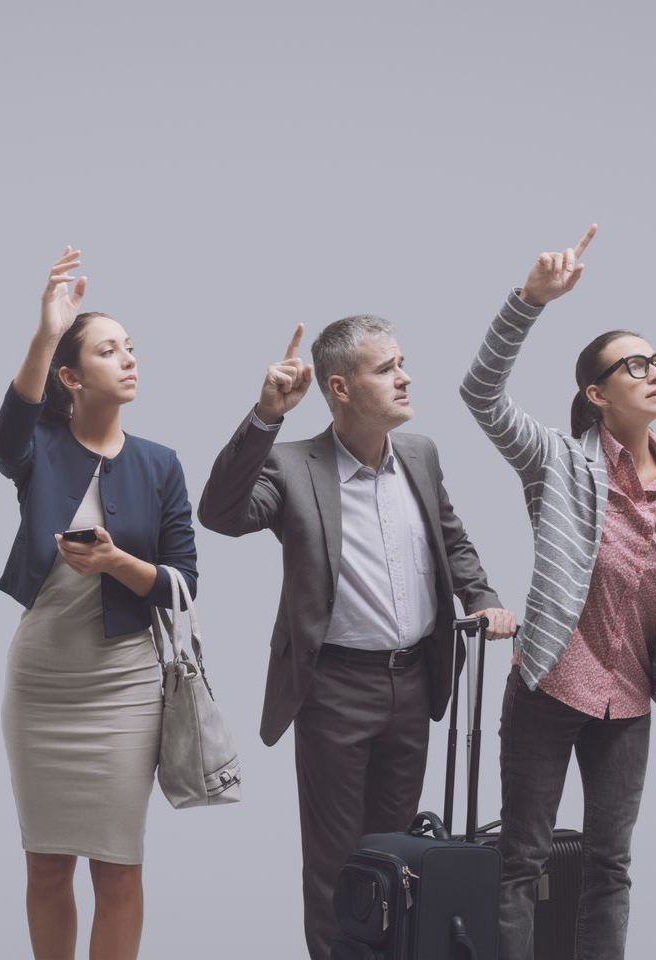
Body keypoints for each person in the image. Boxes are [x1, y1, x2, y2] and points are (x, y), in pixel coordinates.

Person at [460, 225, 656, 960]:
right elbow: (479, 394)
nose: (653, 371)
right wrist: (527, 302)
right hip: (551, 688)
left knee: (610, 867)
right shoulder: (556, 464)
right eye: (633, 365)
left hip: (628, 702)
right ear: (597, 395)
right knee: (521, 863)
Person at [198, 316, 516, 958]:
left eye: (402, 362)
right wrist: (265, 416)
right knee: (339, 865)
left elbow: (450, 538)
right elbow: (222, 515)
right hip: (334, 688)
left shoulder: (421, 455)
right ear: (339, 388)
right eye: (386, 368)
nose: (405, 377)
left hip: (416, 682)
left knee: (399, 855)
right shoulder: (291, 465)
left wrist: (482, 596)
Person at [0, 247, 198, 960]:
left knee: (118, 866)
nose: (129, 360)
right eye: (110, 351)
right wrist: (48, 331)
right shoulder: (40, 447)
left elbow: (183, 585)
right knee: (46, 864)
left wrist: (117, 563)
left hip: (124, 686)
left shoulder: (160, 463)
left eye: (131, 348)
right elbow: (4, 436)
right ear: (72, 377)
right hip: (41, 683)